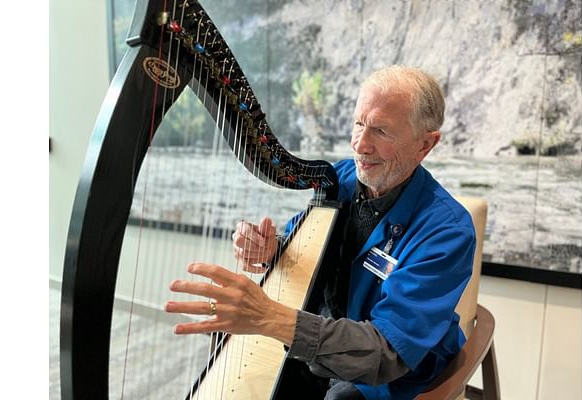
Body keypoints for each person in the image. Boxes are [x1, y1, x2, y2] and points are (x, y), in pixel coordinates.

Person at [165, 65, 476, 400]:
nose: (360, 145)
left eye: (382, 131)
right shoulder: (340, 177)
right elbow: (303, 254)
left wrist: (268, 316)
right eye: (359, 123)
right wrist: (272, 251)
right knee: (234, 354)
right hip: (328, 334)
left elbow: (384, 353)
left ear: (425, 145)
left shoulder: (449, 231)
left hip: (391, 371)